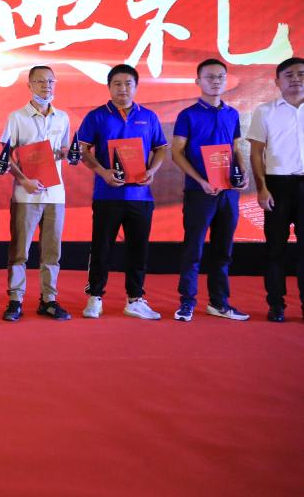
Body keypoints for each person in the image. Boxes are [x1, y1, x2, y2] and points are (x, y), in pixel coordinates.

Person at [76, 64, 168, 320]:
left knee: (138, 249)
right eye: (117, 83)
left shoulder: (148, 116)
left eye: (128, 83)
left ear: (136, 87)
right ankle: (95, 297)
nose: (123, 88)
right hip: (107, 195)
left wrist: (152, 170)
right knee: (101, 248)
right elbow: (82, 150)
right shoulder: (97, 116)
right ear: (109, 87)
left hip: (141, 196)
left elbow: (161, 148)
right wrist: (102, 172)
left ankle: (135, 299)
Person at [170, 59, 249, 322]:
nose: (216, 81)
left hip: (228, 192)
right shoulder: (188, 115)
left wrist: (243, 172)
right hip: (199, 192)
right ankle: (187, 302)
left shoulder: (232, 114)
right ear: (198, 81)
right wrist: (201, 181)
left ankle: (219, 303)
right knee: (193, 249)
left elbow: (235, 148)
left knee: (223, 250)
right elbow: (177, 153)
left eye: (220, 77)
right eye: (210, 77)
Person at [0, 65, 72, 322]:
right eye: (40, 81)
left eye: (51, 81)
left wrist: (66, 154)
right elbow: (5, 155)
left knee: (52, 251)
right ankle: (15, 299)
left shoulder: (62, 117)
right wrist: (24, 180)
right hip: (26, 194)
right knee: (20, 251)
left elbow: (66, 149)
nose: (46, 86)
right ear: (29, 85)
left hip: (55, 194)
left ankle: (49, 299)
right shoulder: (17, 117)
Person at [247, 56, 304, 323]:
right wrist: (262, 188)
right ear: (277, 82)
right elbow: (256, 153)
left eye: (301, 74)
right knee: (275, 249)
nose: (296, 79)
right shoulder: (265, 111)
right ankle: (276, 305)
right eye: (289, 75)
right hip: (277, 186)